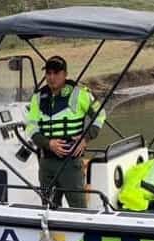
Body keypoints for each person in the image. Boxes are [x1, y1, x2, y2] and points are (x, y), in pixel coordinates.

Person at [24, 56, 107, 209]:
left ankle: (82, 232)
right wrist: (48, 143)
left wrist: (86, 138)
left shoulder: (80, 93)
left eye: (56, 73)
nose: (51, 77)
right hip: (46, 164)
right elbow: (31, 127)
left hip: (71, 163)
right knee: (48, 208)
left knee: (78, 208)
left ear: (65, 74)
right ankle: (51, 233)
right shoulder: (37, 98)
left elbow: (100, 115)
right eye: (48, 73)